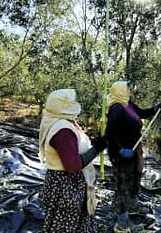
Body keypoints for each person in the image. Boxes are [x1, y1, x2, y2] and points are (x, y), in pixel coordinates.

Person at [38, 89, 107, 233]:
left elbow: (73, 147)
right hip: (66, 186)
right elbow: (72, 165)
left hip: (65, 183)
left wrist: (91, 145)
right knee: (65, 225)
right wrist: (96, 149)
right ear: (64, 105)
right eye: (73, 101)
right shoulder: (63, 130)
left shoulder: (62, 121)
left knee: (69, 224)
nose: (77, 104)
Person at [104, 81, 161, 232]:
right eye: (127, 88)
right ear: (120, 91)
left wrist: (156, 108)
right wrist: (120, 150)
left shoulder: (128, 104)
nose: (130, 89)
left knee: (135, 177)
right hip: (122, 153)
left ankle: (133, 205)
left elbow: (142, 113)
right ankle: (122, 222)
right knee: (123, 185)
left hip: (133, 149)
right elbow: (110, 133)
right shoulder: (116, 108)